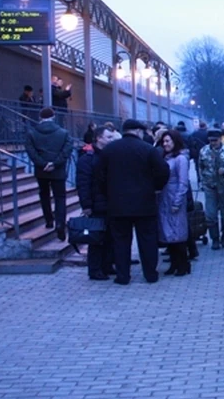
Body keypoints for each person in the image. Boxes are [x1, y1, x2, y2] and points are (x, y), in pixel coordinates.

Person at [96, 119, 170, 285]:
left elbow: (99, 175)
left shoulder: (109, 150)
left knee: (121, 241)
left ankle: (123, 276)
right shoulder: (148, 149)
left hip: (117, 204)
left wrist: (108, 193)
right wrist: (156, 187)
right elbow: (163, 171)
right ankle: (150, 274)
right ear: (138, 132)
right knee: (148, 240)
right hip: (145, 203)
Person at [24, 107, 72, 241]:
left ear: (40, 118)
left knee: (44, 194)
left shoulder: (32, 133)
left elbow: (30, 150)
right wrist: (55, 163)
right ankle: (60, 223)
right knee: (60, 197)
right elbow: (67, 149)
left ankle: (49, 220)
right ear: (53, 117)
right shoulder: (63, 133)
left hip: (41, 170)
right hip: (58, 170)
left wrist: (42, 163)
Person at [76, 126, 115, 280]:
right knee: (96, 238)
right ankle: (95, 269)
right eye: (109, 137)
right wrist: (86, 205)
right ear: (98, 138)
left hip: (109, 204)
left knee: (109, 237)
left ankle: (107, 265)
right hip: (96, 205)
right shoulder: (87, 159)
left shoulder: (109, 156)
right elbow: (83, 183)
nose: (112, 140)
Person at [157, 130, 191, 276]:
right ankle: (174, 263)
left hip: (175, 197)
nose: (165, 144)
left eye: (168, 141)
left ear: (175, 141)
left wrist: (177, 201)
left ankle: (183, 264)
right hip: (164, 198)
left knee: (178, 231)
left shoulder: (181, 159)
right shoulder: (166, 157)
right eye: (163, 141)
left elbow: (183, 182)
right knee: (168, 232)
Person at [199, 128, 224, 250]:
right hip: (210, 186)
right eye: (210, 141)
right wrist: (203, 182)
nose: (213, 143)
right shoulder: (204, 151)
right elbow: (200, 167)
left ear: (220, 139)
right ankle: (214, 239)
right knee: (211, 214)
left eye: (215, 140)